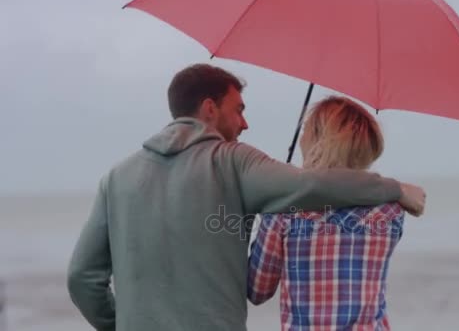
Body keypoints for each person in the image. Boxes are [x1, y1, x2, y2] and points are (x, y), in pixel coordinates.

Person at [67, 64, 426, 331]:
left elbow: (82, 277)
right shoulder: (235, 160)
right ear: (210, 108)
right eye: (239, 109)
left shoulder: (116, 178)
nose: (244, 123)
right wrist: (393, 189)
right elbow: (311, 187)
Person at [248, 96, 413, 330]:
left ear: (320, 140)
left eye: (306, 129)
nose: (302, 136)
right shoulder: (391, 210)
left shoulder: (284, 210)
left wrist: (267, 216)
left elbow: (258, 289)